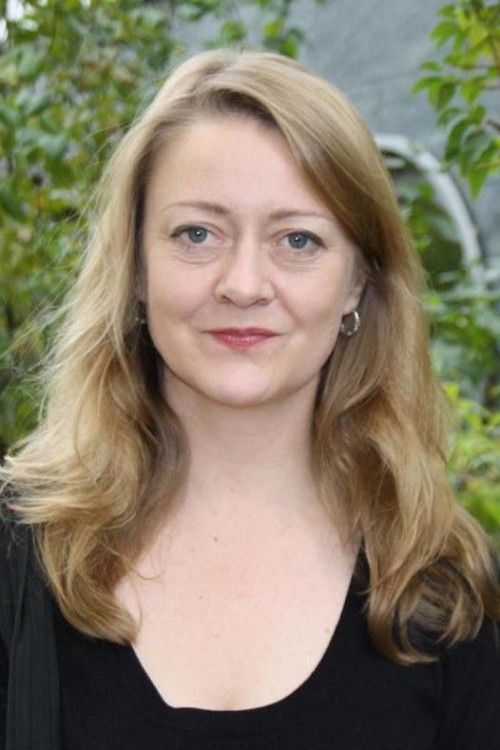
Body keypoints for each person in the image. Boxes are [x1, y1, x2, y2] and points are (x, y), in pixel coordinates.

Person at [1, 48, 499, 750]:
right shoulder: (18, 554)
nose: (243, 284)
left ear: (357, 282)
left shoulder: (442, 586)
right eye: (197, 234)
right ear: (135, 267)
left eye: (298, 239)